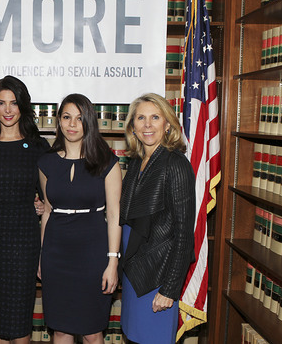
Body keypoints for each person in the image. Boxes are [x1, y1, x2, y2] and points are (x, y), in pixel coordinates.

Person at [0, 75, 50, 343]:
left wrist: (41, 206)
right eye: (1, 103)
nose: (7, 110)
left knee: (19, 316)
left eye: (13, 103)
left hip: (24, 239)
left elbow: (51, 198)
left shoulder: (39, 147)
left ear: (23, 106)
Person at [37, 94, 121, 344]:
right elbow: (48, 211)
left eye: (79, 118)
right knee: (61, 330)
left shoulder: (107, 162)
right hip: (56, 253)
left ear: (89, 122)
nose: (72, 124)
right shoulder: (46, 163)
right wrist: (42, 255)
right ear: (59, 121)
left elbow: (115, 214)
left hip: (93, 253)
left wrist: (113, 262)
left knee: (92, 331)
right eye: (66, 117)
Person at [119, 93, 195, 344]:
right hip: (133, 270)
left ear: (168, 124)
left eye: (155, 117)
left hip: (157, 276)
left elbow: (184, 234)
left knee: (153, 338)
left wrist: (169, 289)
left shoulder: (176, 164)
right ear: (132, 126)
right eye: (141, 118)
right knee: (134, 336)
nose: (147, 125)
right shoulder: (138, 162)